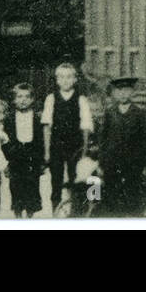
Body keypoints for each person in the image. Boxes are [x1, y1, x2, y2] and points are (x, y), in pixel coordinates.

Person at [42, 62, 94, 215]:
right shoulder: (51, 99)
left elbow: (85, 127)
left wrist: (84, 151)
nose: (65, 80)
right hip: (56, 146)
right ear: (57, 80)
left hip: (75, 147)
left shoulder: (81, 100)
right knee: (56, 181)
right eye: (62, 77)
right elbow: (47, 127)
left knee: (75, 179)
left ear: (75, 80)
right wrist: (46, 152)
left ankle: (74, 212)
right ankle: (55, 211)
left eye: (69, 77)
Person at [98, 77, 146, 217]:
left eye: (126, 90)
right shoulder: (110, 112)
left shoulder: (139, 113)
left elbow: (144, 140)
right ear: (114, 93)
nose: (123, 94)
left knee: (132, 196)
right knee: (112, 196)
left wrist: (143, 163)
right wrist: (101, 162)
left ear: (132, 92)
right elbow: (103, 138)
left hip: (133, 163)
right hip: (112, 162)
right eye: (119, 90)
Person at [3, 83, 43, 218]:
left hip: (32, 155)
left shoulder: (37, 118)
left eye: (27, 97)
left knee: (32, 186)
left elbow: (41, 140)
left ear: (32, 99)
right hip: (16, 155)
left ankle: (30, 215)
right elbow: (5, 140)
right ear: (14, 99)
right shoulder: (9, 118)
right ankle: (18, 215)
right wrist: (9, 157)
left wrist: (41, 160)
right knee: (16, 187)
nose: (23, 100)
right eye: (19, 96)